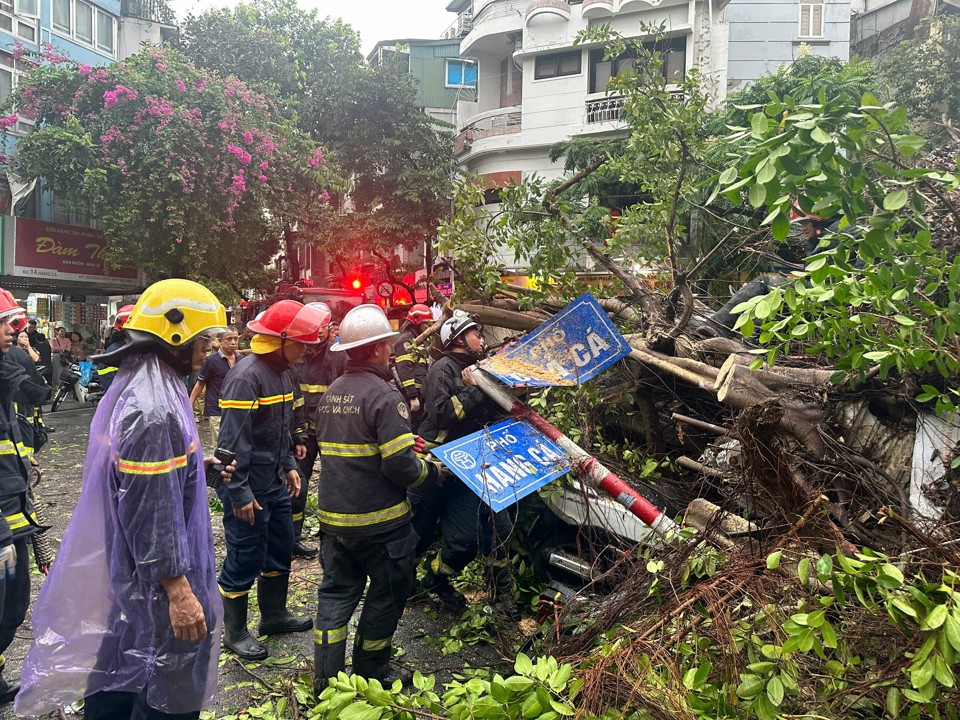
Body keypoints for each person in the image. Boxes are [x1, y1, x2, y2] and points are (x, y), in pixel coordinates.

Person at [15, 279, 233, 720]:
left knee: (121, 669)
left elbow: (141, 480)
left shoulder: (148, 386)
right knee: (160, 686)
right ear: (176, 335)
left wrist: (195, 468)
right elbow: (150, 506)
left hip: (134, 574)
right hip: (155, 583)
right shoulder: (154, 408)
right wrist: (178, 590)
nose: (207, 350)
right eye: (204, 339)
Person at [313, 304, 442, 691]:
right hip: (380, 525)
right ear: (375, 349)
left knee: (335, 598)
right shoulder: (385, 396)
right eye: (386, 343)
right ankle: (371, 672)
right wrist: (431, 471)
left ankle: (327, 682)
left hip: (334, 521)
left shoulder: (333, 392)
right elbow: (400, 466)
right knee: (386, 596)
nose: (390, 349)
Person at [215, 300, 327, 661]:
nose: (306, 349)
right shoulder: (246, 377)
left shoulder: (284, 371)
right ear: (279, 340)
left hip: (275, 482)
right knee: (244, 557)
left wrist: (290, 464)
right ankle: (234, 632)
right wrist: (240, 493)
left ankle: (274, 616)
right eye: (300, 343)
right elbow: (231, 445)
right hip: (249, 488)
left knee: (280, 547)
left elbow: (279, 430)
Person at [416, 310, 513, 611]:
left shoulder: (477, 368)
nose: (482, 339)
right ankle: (409, 583)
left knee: (497, 526)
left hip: (474, 465)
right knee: (419, 530)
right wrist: (473, 390)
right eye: (476, 334)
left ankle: (502, 594)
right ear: (459, 339)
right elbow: (443, 413)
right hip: (437, 464)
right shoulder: (443, 369)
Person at [0, 290, 46, 704]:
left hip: (13, 498)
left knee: (12, 605)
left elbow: (34, 397)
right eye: (4, 324)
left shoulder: (5, 370)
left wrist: (24, 468)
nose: (12, 332)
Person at [291, 303, 344, 559]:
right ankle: (292, 538)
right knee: (297, 486)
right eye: (315, 324)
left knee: (335, 483)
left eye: (324, 324)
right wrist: (296, 433)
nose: (320, 329)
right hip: (303, 435)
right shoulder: (296, 355)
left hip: (332, 433)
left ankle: (333, 534)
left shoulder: (339, 356)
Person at [189, 326, 240, 450]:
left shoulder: (241, 360)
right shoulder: (211, 361)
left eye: (235, 339)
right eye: (229, 339)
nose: (233, 342)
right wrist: (189, 405)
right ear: (219, 341)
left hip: (237, 409)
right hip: (217, 410)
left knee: (236, 445)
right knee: (220, 446)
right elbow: (200, 383)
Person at [392, 304, 433, 433]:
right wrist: (412, 396)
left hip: (421, 393)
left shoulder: (417, 341)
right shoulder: (406, 341)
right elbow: (405, 369)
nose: (428, 327)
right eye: (426, 323)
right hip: (412, 395)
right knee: (413, 427)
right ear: (417, 322)